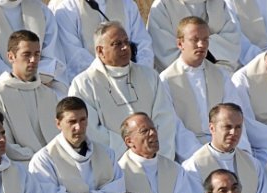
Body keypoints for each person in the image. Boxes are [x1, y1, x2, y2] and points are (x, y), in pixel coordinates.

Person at [68, 22, 186, 160]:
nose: (125, 47)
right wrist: (134, 152)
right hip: (114, 164)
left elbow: (165, 119)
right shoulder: (83, 84)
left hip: (155, 159)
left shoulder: (149, 76)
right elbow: (90, 130)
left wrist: (153, 153)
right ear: (100, 51)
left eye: (126, 42)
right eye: (117, 44)